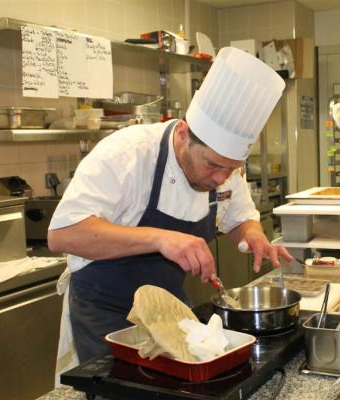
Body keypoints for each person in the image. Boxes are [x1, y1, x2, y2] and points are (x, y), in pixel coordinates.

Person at [48, 47, 293, 363]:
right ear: (182, 133)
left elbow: (239, 218)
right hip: (107, 315)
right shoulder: (127, 154)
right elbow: (63, 234)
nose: (222, 178)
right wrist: (160, 238)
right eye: (213, 166)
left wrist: (253, 235)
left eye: (231, 168)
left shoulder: (225, 168)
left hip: (168, 310)